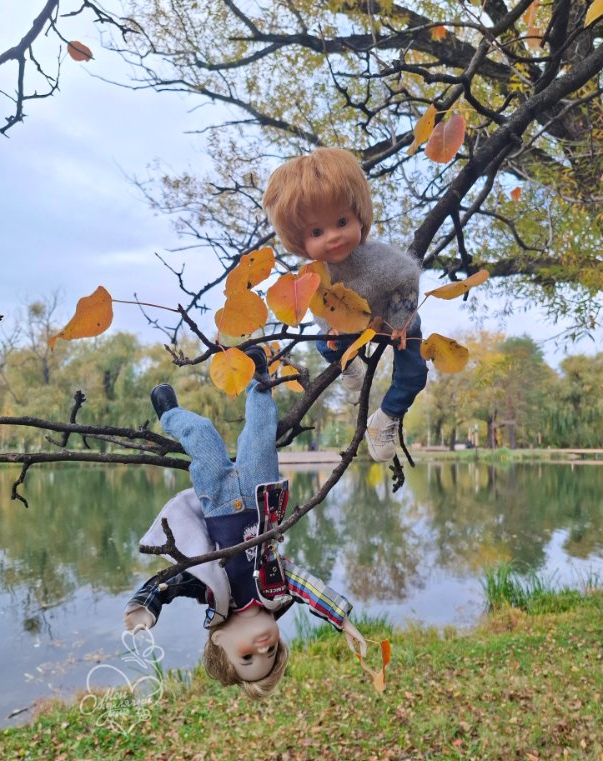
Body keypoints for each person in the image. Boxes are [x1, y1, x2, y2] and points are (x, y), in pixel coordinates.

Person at [123, 347, 367, 700]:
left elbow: (169, 583)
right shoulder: (276, 588)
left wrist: (146, 607)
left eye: (248, 656)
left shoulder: (211, 594)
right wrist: (342, 620)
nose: (263, 647)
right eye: (271, 653)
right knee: (260, 433)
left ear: (219, 641)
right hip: (259, 493)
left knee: (203, 437)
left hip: (217, 501)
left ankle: (170, 414)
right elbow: (310, 588)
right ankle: (259, 379)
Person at [262, 147, 428, 462]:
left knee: (415, 370)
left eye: (341, 221)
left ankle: (385, 418)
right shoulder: (314, 275)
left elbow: (407, 275)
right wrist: (332, 329)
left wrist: (400, 320)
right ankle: (348, 363)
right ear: (299, 239)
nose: (333, 237)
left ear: (358, 214)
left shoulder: (378, 259)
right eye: (316, 231)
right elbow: (319, 307)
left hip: (392, 318)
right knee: (325, 344)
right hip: (350, 328)